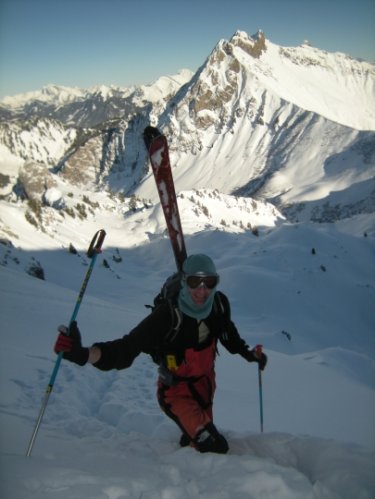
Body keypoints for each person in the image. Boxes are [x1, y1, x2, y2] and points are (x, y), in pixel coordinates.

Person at [54, 253, 267, 454]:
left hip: (206, 385)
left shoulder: (218, 305)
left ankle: (189, 466)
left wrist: (250, 355)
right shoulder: (167, 316)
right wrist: (83, 354)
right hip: (176, 391)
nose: (202, 291)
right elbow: (126, 348)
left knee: (198, 439)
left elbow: (229, 337)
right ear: (184, 281)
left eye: (209, 282)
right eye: (194, 282)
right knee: (214, 446)